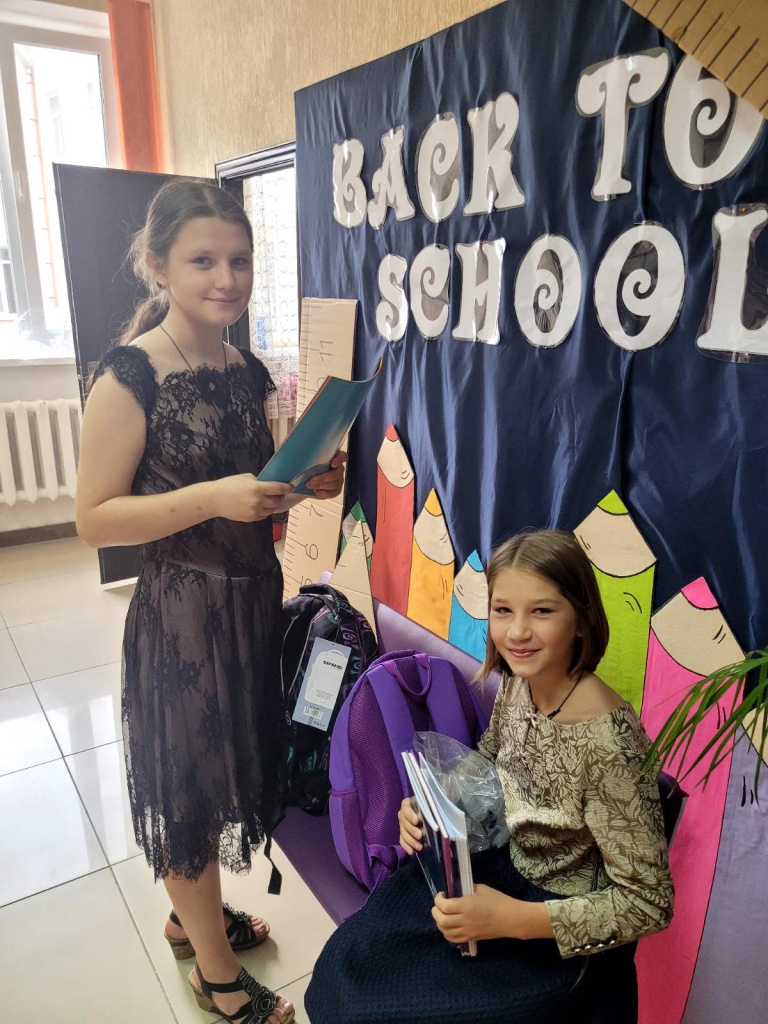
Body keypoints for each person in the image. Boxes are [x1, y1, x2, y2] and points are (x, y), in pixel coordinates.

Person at [76, 179, 345, 1024]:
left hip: (252, 602)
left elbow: (246, 491)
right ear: (157, 265)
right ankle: (216, 974)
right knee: (188, 788)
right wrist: (214, 499)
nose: (226, 279)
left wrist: (299, 486)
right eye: (203, 261)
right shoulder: (130, 375)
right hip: (183, 614)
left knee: (233, 765)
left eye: (240, 260)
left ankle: (190, 916)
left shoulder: (245, 368)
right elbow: (94, 518)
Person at [305, 530, 674, 1024]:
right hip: (500, 870)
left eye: (541, 611)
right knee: (343, 970)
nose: (517, 632)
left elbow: (649, 904)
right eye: (503, 610)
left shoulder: (611, 746)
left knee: (369, 1009)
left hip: (555, 930)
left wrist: (512, 919)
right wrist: (430, 805)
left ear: (582, 620)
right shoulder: (520, 684)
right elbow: (490, 762)